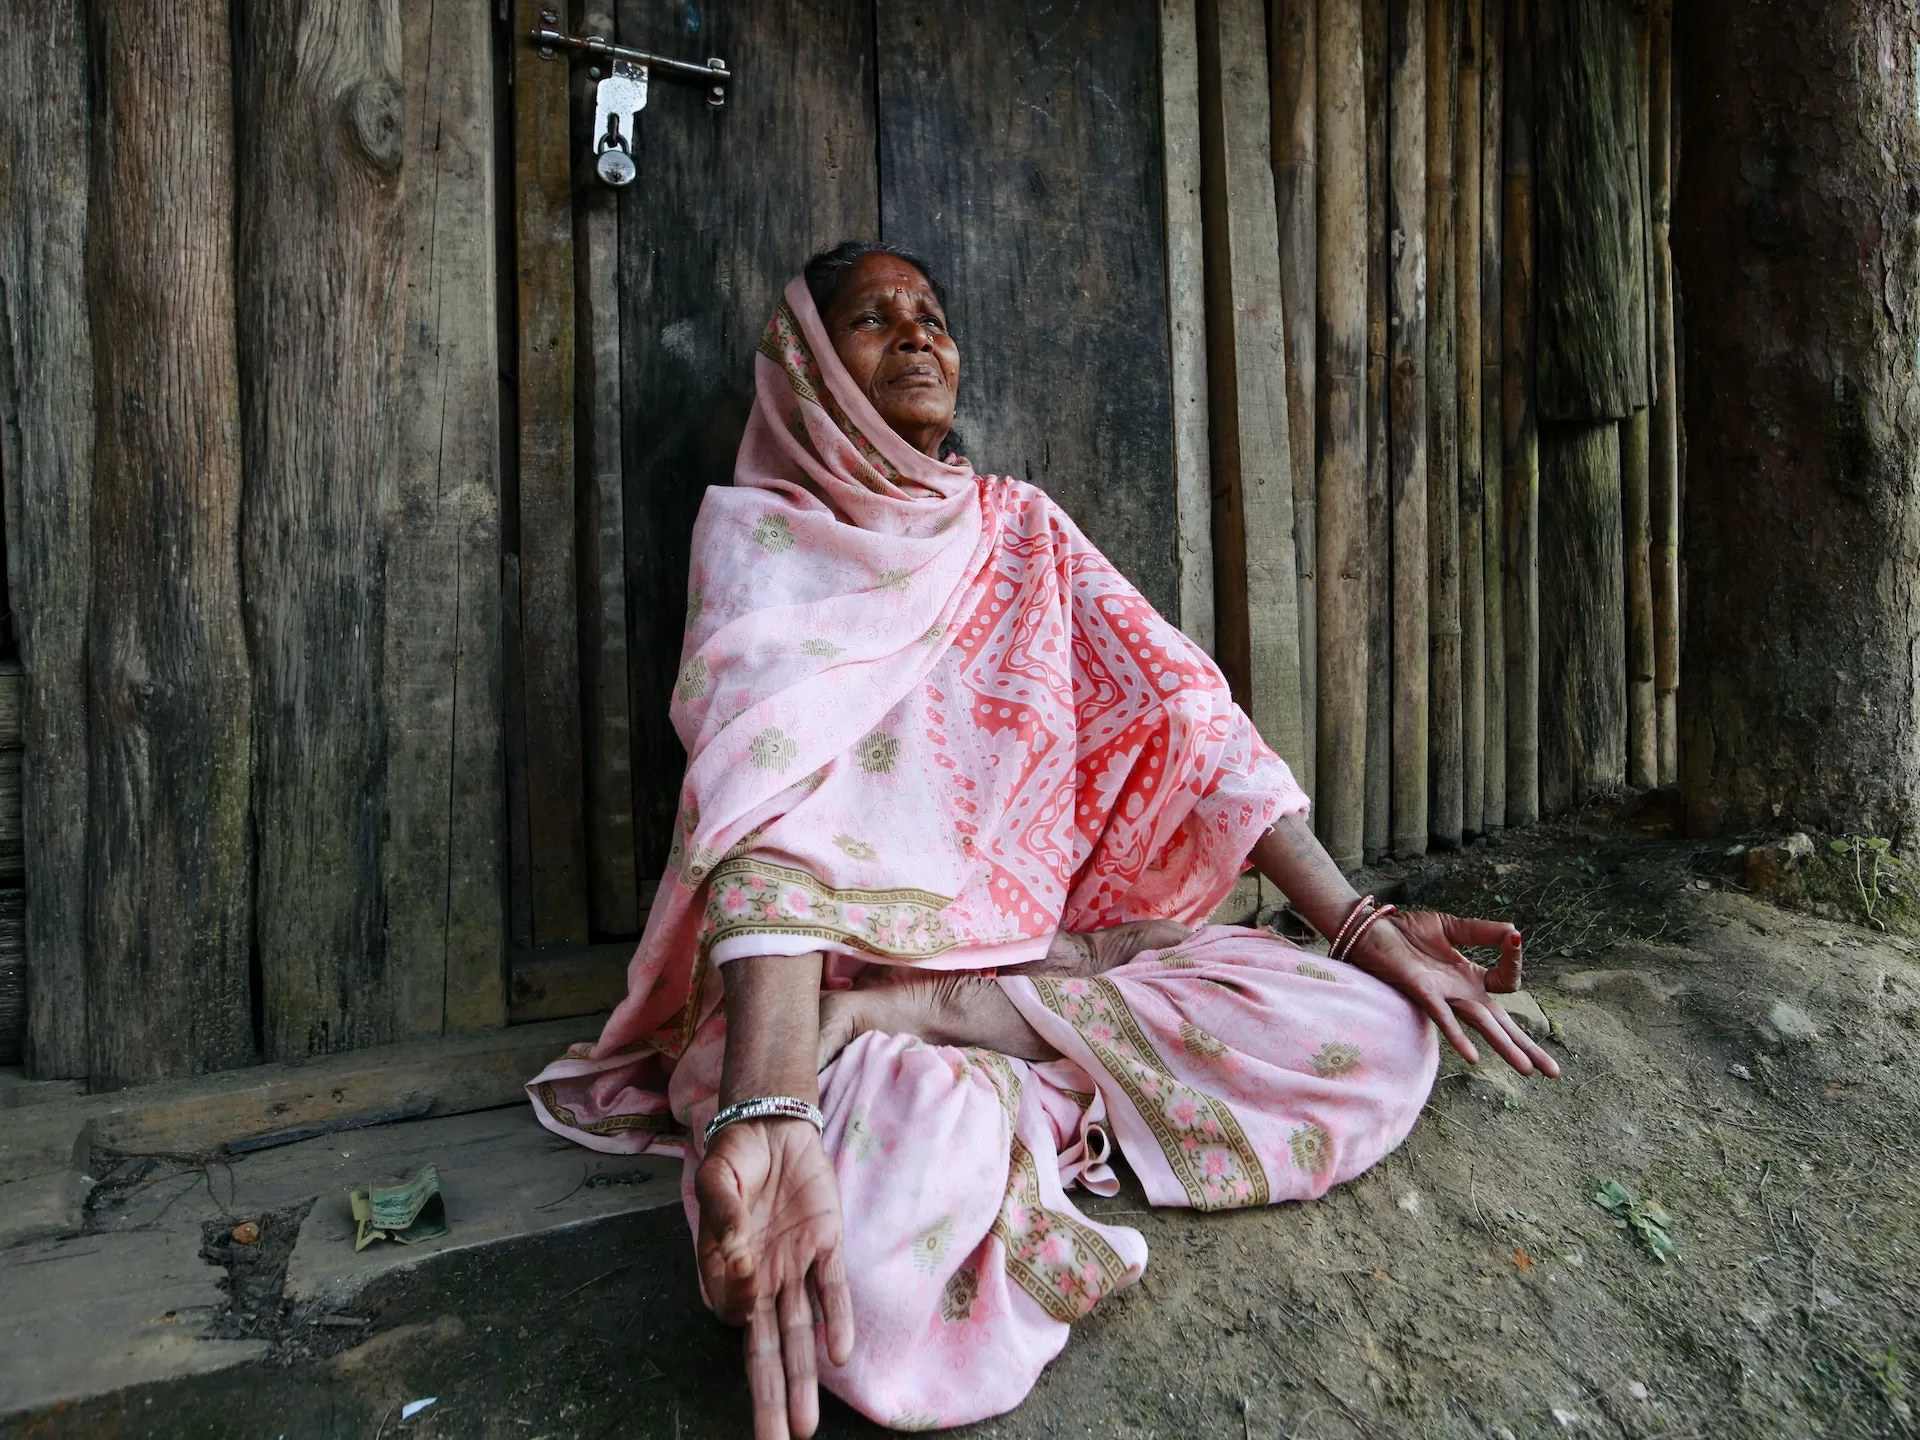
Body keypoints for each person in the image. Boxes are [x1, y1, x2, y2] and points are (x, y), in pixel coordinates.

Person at [527, 241, 1559, 1439]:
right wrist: (766, 1102)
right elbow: (769, 826)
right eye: (872, 320)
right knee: (860, 1282)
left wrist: (1358, 920)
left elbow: (1192, 718)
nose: (918, 336)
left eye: (932, 315)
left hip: (1039, 971)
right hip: (811, 1003)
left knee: (1378, 1029)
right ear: (807, 372)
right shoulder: (762, 540)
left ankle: (964, 1039)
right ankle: (917, 1042)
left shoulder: (1023, 528)